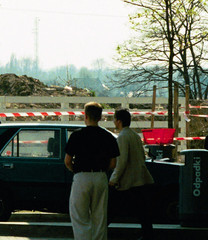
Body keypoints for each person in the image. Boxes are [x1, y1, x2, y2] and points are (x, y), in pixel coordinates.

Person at [64, 102, 119, 240]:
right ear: (100, 117)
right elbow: (113, 163)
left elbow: (67, 161)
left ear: (85, 116)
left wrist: (74, 170)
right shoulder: (108, 136)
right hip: (100, 176)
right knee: (99, 216)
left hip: (81, 177)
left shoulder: (77, 136)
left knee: (79, 216)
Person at [108, 109, 155, 240]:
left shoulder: (122, 137)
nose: (113, 122)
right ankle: (148, 234)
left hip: (127, 181)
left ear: (119, 121)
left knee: (110, 209)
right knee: (142, 211)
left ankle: (98, 233)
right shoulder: (134, 135)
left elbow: (121, 161)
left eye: (114, 119)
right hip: (139, 179)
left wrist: (113, 179)